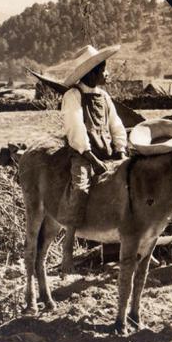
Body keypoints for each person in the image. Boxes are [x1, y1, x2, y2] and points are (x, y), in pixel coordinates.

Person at [58, 45, 128, 261]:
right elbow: (76, 128)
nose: (106, 73)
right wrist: (91, 158)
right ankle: (68, 245)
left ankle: (122, 246)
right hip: (84, 155)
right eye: (103, 69)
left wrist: (120, 150)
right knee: (81, 190)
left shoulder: (104, 97)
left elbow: (116, 124)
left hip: (107, 153)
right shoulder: (73, 96)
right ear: (92, 73)